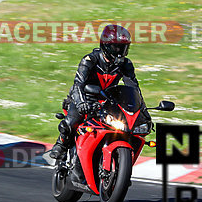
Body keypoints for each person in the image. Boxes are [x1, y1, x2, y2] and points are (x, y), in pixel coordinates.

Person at [47, 24, 141, 162]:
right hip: (83, 98)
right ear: (106, 46)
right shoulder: (90, 60)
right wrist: (81, 103)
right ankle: (61, 144)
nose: (120, 52)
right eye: (116, 47)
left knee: (125, 127)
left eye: (123, 47)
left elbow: (133, 87)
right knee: (70, 122)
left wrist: (141, 110)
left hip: (107, 101)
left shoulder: (125, 64)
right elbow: (78, 84)